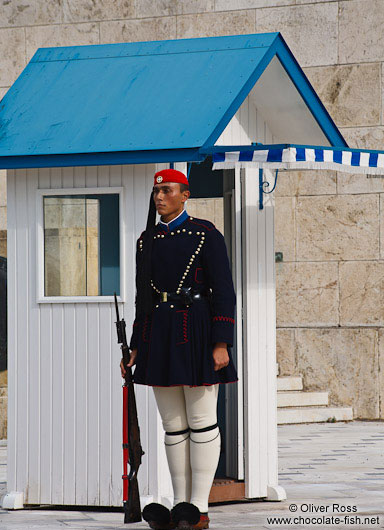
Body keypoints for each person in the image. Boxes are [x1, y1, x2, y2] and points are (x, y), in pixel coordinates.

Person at [120, 168, 238, 530]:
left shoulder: (205, 234)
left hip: (197, 329)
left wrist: (222, 341)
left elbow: (224, 291)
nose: (160, 197)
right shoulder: (146, 240)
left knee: (202, 421)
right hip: (160, 332)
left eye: (167, 191)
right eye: (157, 192)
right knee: (173, 425)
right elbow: (143, 297)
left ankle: (199, 507)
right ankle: (180, 505)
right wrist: (136, 346)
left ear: (185, 195)